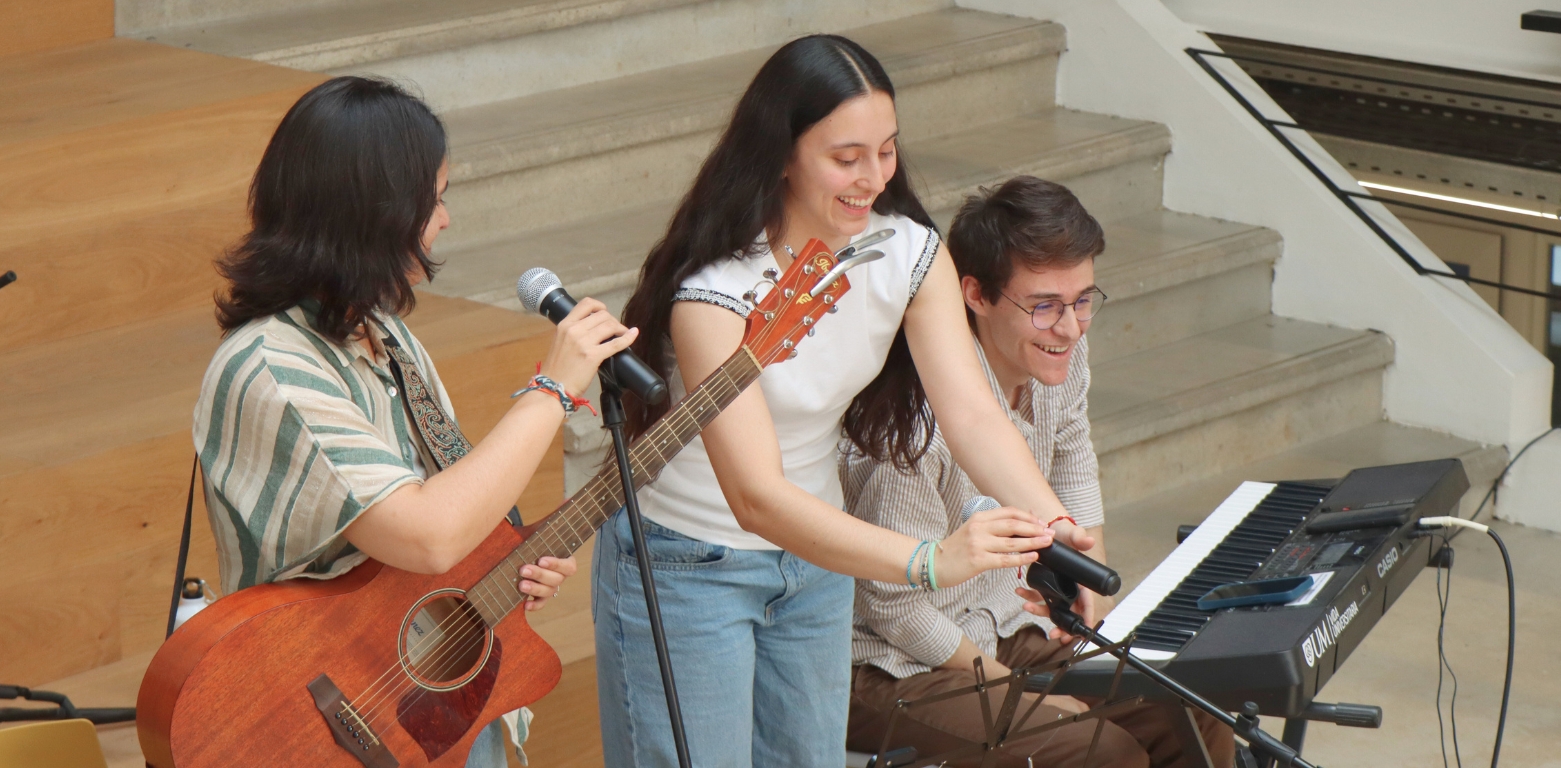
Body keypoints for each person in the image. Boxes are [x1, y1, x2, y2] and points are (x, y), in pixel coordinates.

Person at [597, 36, 1099, 767]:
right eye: (846, 157)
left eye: (886, 152)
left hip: (815, 563)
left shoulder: (909, 251)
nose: (873, 178)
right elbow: (755, 497)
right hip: (688, 565)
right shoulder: (714, 294)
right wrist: (929, 561)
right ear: (782, 154)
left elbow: (972, 415)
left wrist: (1053, 527)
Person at [190, 76, 635, 768]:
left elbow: (453, 515)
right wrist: (551, 389)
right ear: (379, 213)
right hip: (313, 723)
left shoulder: (385, 335)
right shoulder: (271, 367)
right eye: (436, 198)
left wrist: (509, 562)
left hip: (431, 696)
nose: (445, 220)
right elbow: (429, 535)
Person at [842, 176, 1236, 767]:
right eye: (1045, 306)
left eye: (1083, 300)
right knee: (1102, 753)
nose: (1071, 328)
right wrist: (1021, 693)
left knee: (1194, 707)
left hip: (1000, 629)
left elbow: (1074, 460)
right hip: (889, 663)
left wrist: (1086, 589)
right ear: (975, 295)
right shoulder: (913, 420)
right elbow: (894, 609)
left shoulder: (1056, 354)